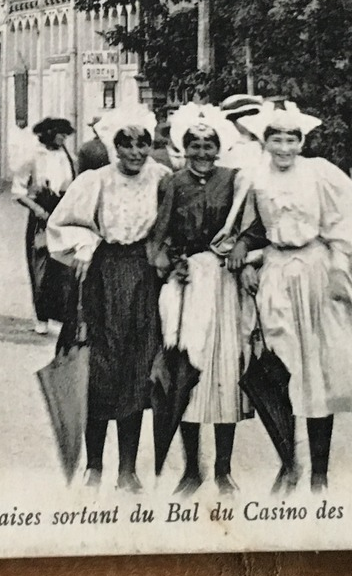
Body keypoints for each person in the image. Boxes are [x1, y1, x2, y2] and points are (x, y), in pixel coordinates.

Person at [220, 102, 352, 494]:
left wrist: (337, 266)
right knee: (271, 371)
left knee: (316, 375)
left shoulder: (319, 174)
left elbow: (342, 222)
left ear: (301, 141)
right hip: (276, 274)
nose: (283, 147)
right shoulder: (253, 177)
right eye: (276, 138)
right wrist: (248, 260)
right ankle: (288, 461)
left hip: (314, 272)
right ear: (264, 141)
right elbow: (246, 229)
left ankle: (319, 474)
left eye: (291, 139)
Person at [47, 105, 170, 493]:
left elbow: (175, 227)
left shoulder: (163, 179)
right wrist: (85, 245)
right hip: (101, 277)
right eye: (125, 144)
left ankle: (128, 470)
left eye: (142, 144)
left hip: (145, 279)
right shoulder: (95, 180)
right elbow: (62, 224)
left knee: (136, 370)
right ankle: (95, 466)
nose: (134, 152)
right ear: (113, 146)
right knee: (97, 369)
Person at [149, 104, 248, 496]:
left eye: (210, 146)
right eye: (196, 146)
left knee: (225, 374)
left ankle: (223, 470)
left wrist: (241, 245)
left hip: (224, 280)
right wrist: (171, 263)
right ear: (184, 148)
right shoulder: (172, 183)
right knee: (185, 374)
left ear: (219, 149)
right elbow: (160, 233)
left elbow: (250, 226)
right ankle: (192, 469)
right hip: (189, 281)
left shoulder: (234, 181)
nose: (203, 153)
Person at [12, 117, 77, 335]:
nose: (64, 139)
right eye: (61, 134)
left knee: (64, 267)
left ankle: (60, 315)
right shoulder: (33, 156)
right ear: (49, 133)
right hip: (42, 214)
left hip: (64, 213)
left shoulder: (68, 157)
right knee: (40, 265)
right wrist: (38, 210)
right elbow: (18, 191)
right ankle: (41, 315)